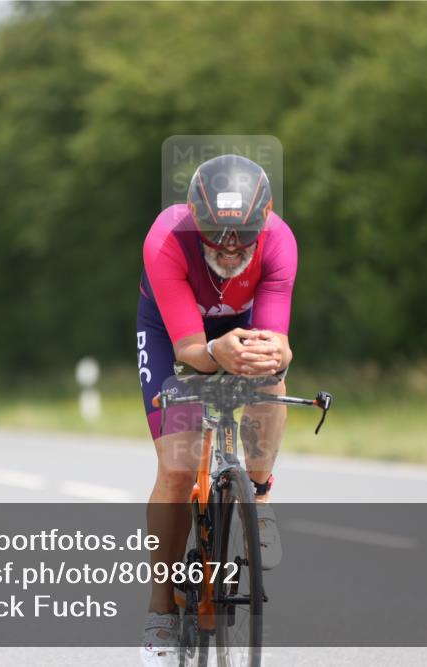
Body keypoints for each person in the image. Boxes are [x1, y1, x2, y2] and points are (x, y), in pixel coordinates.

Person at [137, 154, 297, 664]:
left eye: (243, 235)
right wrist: (212, 352)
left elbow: (277, 339)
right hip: (174, 334)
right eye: (216, 235)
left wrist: (277, 353)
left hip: (243, 325)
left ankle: (261, 497)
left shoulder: (280, 242)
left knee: (272, 375)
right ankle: (161, 614)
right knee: (179, 469)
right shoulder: (166, 239)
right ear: (194, 217)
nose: (230, 248)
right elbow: (189, 351)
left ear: (265, 219)